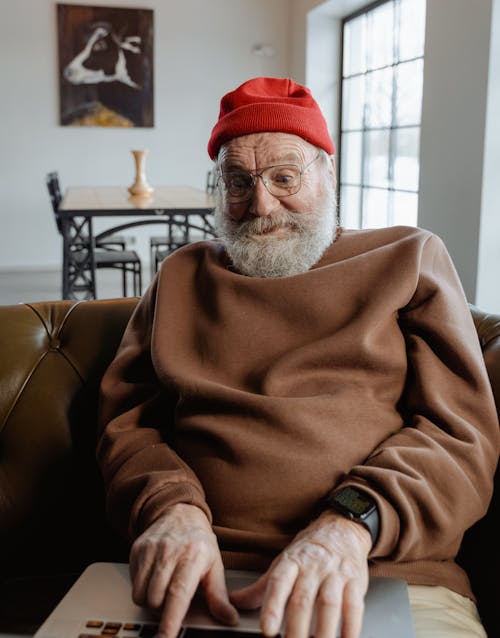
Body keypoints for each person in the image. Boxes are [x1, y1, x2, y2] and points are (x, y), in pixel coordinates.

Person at [97, 77, 499, 638]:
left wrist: (351, 524)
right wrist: (170, 508)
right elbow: (128, 426)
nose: (261, 205)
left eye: (285, 178)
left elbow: (462, 438)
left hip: (380, 571)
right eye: (238, 182)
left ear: (328, 174)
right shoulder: (181, 276)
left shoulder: (408, 258)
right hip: (199, 576)